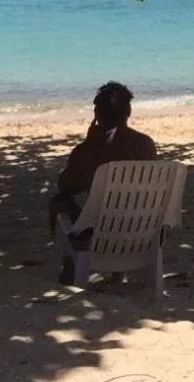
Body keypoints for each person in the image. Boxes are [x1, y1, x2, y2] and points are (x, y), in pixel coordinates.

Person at [49, 82, 158, 282]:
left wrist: (89, 146)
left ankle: (71, 265)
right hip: (141, 230)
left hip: (101, 233)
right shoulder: (146, 144)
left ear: (96, 114)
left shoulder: (88, 151)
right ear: (128, 112)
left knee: (58, 202)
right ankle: (118, 274)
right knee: (123, 205)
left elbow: (65, 186)